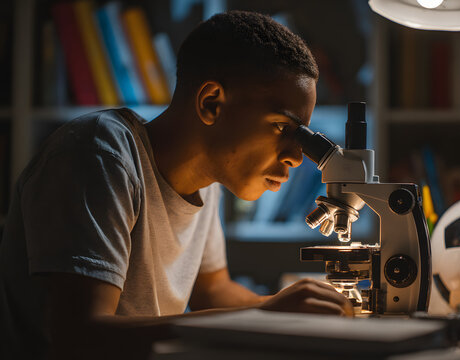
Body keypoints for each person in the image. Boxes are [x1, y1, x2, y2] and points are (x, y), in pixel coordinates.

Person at [0, 10, 352, 359]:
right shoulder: (99, 155)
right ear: (211, 103)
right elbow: (79, 338)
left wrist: (300, 305)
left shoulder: (207, 179)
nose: (296, 156)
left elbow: (213, 293)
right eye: (282, 127)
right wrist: (264, 317)